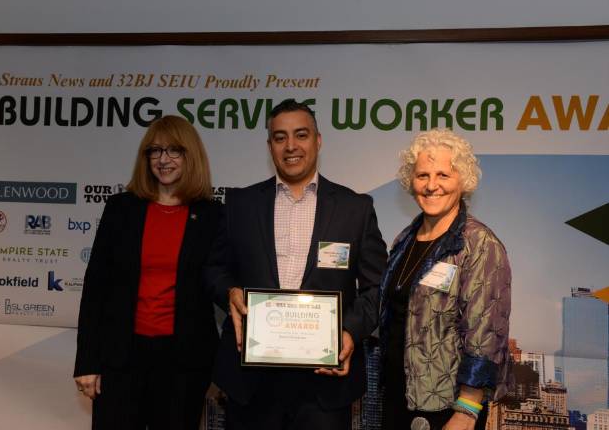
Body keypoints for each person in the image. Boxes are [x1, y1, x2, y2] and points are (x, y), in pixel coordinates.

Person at [204, 99, 387, 430]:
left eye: (301, 135)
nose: (291, 146)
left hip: (325, 386)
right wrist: (228, 290)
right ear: (269, 145)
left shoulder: (354, 209)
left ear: (318, 140)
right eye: (280, 137)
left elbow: (377, 287)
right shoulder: (240, 205)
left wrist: (349, 331)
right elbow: (214, 269)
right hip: (251, 382)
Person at [73, 115, 221, 429]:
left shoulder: (213, 215)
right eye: (155, 151)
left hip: (184, 363)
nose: (163, 160)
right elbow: (96, 288)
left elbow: (224, 282)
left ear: (190, 156)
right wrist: (87, 362)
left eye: (174, 151)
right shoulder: (121, 209)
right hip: (121, 359)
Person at [379, 129, 511, 430]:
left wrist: (466, 410)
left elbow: (486, 333)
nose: (431, 185)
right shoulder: (405, 239)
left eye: (443, 175)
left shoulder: (479, 244)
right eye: (422, 175)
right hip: (399, 398)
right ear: (410, 181)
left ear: (463, 181)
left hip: (447, 410)